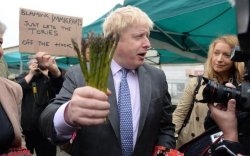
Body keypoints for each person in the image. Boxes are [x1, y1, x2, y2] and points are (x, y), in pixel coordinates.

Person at [39, 5, 175, 156]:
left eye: (147, 36)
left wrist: (164, 150)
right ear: (113, 40)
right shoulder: (80, 74)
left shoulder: (157, 77)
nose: (148, 44)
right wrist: (67, 114)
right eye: (139, 36)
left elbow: (166, 127)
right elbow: (47, 120)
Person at [173, 35, 245, 148]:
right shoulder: (196, 82)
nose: (219, 59)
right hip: (188, 145)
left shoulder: (242, 89)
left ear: (236, 58)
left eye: (226, 55)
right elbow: (179, 115)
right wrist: (166, 144)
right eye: (216, 53)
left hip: (220, 147)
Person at [15, 51, 64, 156]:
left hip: (45, 130)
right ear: (29, 64)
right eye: (34, 61)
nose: (37, 64)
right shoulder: (23, 77)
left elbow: (59, 87)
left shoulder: (49, 77)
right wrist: (31, 74)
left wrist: (47, 73)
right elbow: (17, 90)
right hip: (25, 130)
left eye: (39, 62)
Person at [0, 20, 31, 155]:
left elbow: (18, 137)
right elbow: (22, 84)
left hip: (35, 129)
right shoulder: (24, 77)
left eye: (0, 43)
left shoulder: (11, 89)